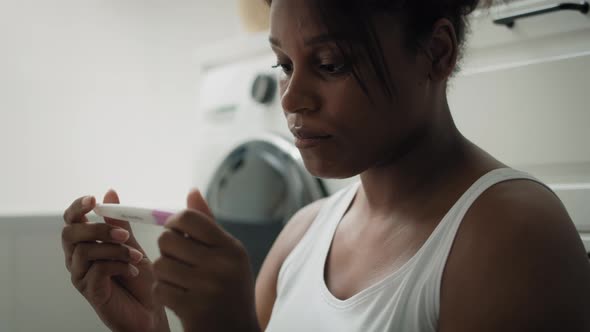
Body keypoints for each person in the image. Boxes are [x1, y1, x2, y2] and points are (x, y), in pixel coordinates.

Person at [61, 0, 590, 331]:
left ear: (436, 52)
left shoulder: (513, 237)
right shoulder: (303, 236)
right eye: (284, 65)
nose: (291, 99)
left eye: (330, 63)